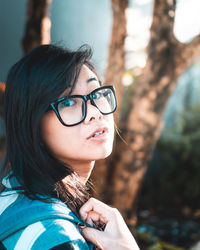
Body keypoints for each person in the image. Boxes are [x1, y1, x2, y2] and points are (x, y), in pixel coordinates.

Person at [0, 44, 139, 250]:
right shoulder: (54, 237)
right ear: (32, 125)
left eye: (96, 93)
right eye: (68, 102)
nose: (94, 112)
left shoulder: (16, 201)